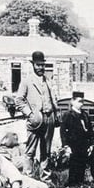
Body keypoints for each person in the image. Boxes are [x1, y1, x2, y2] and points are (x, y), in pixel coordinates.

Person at [14, 50, 59, 180]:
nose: (40, 67)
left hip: (48, 118)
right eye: (38, 65)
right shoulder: (27, 81)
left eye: (42, 65)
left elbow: (53, 98)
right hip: (35, 120)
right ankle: (27, 178)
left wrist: (55, 114)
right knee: (30, 150)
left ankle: (46, 178)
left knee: (46, 150)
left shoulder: (48, 80)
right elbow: (19, 100)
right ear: (33, 65)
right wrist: (29, 114)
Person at [60, 91, 94, 186]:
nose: (81, 104)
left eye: (82, 102)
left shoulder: (85, 115)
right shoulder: (68, 115)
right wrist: (66, 145)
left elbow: (90, 130)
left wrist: (91, 144)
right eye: (79, 101)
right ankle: (72, 184)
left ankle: (80, 183)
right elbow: (63, 132)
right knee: (74, 165)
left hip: (83, 145)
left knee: (82, 165)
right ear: (73, 101)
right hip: (73, 145)